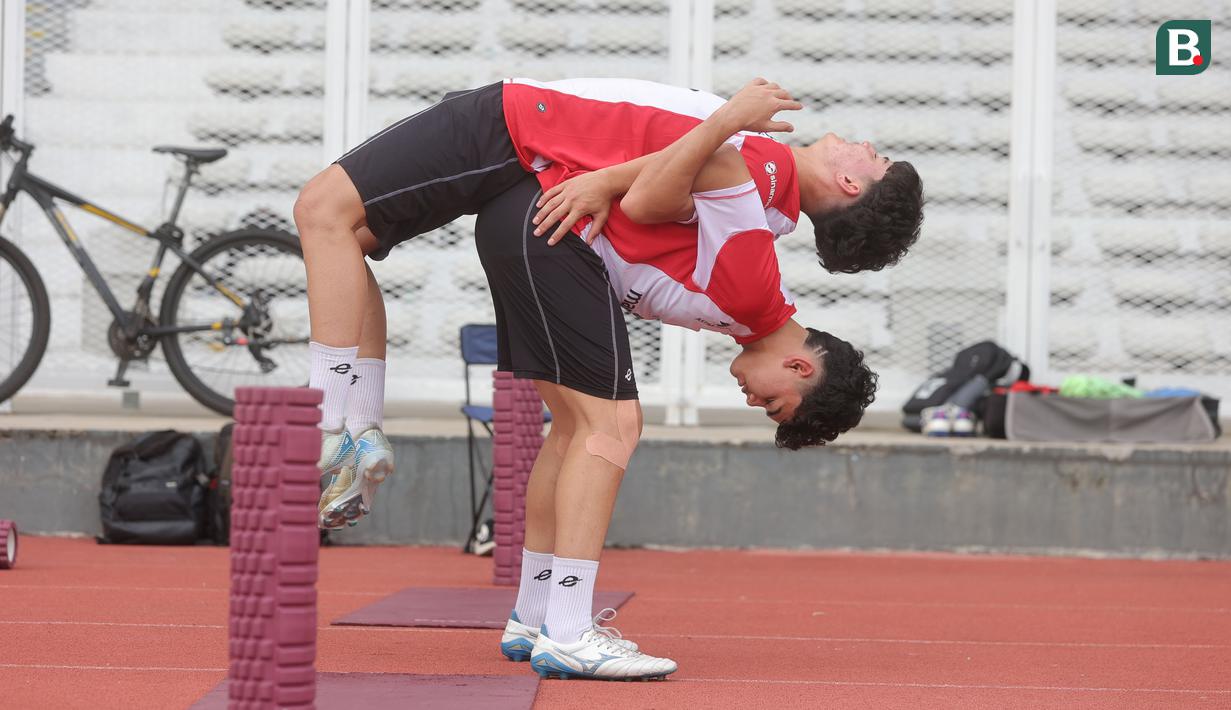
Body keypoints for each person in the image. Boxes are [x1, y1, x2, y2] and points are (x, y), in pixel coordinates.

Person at [294, 77, 920, 530]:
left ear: (850, 184)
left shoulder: (763, 173)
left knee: (321, 211)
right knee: (344, 239)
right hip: (536, 154)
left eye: (878, 160)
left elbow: (678, 182)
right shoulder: (770, 211)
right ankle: (359, 427)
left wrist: (702, 132)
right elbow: (669, 190)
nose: (869, 146)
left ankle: (328, 424)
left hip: (519, 125)